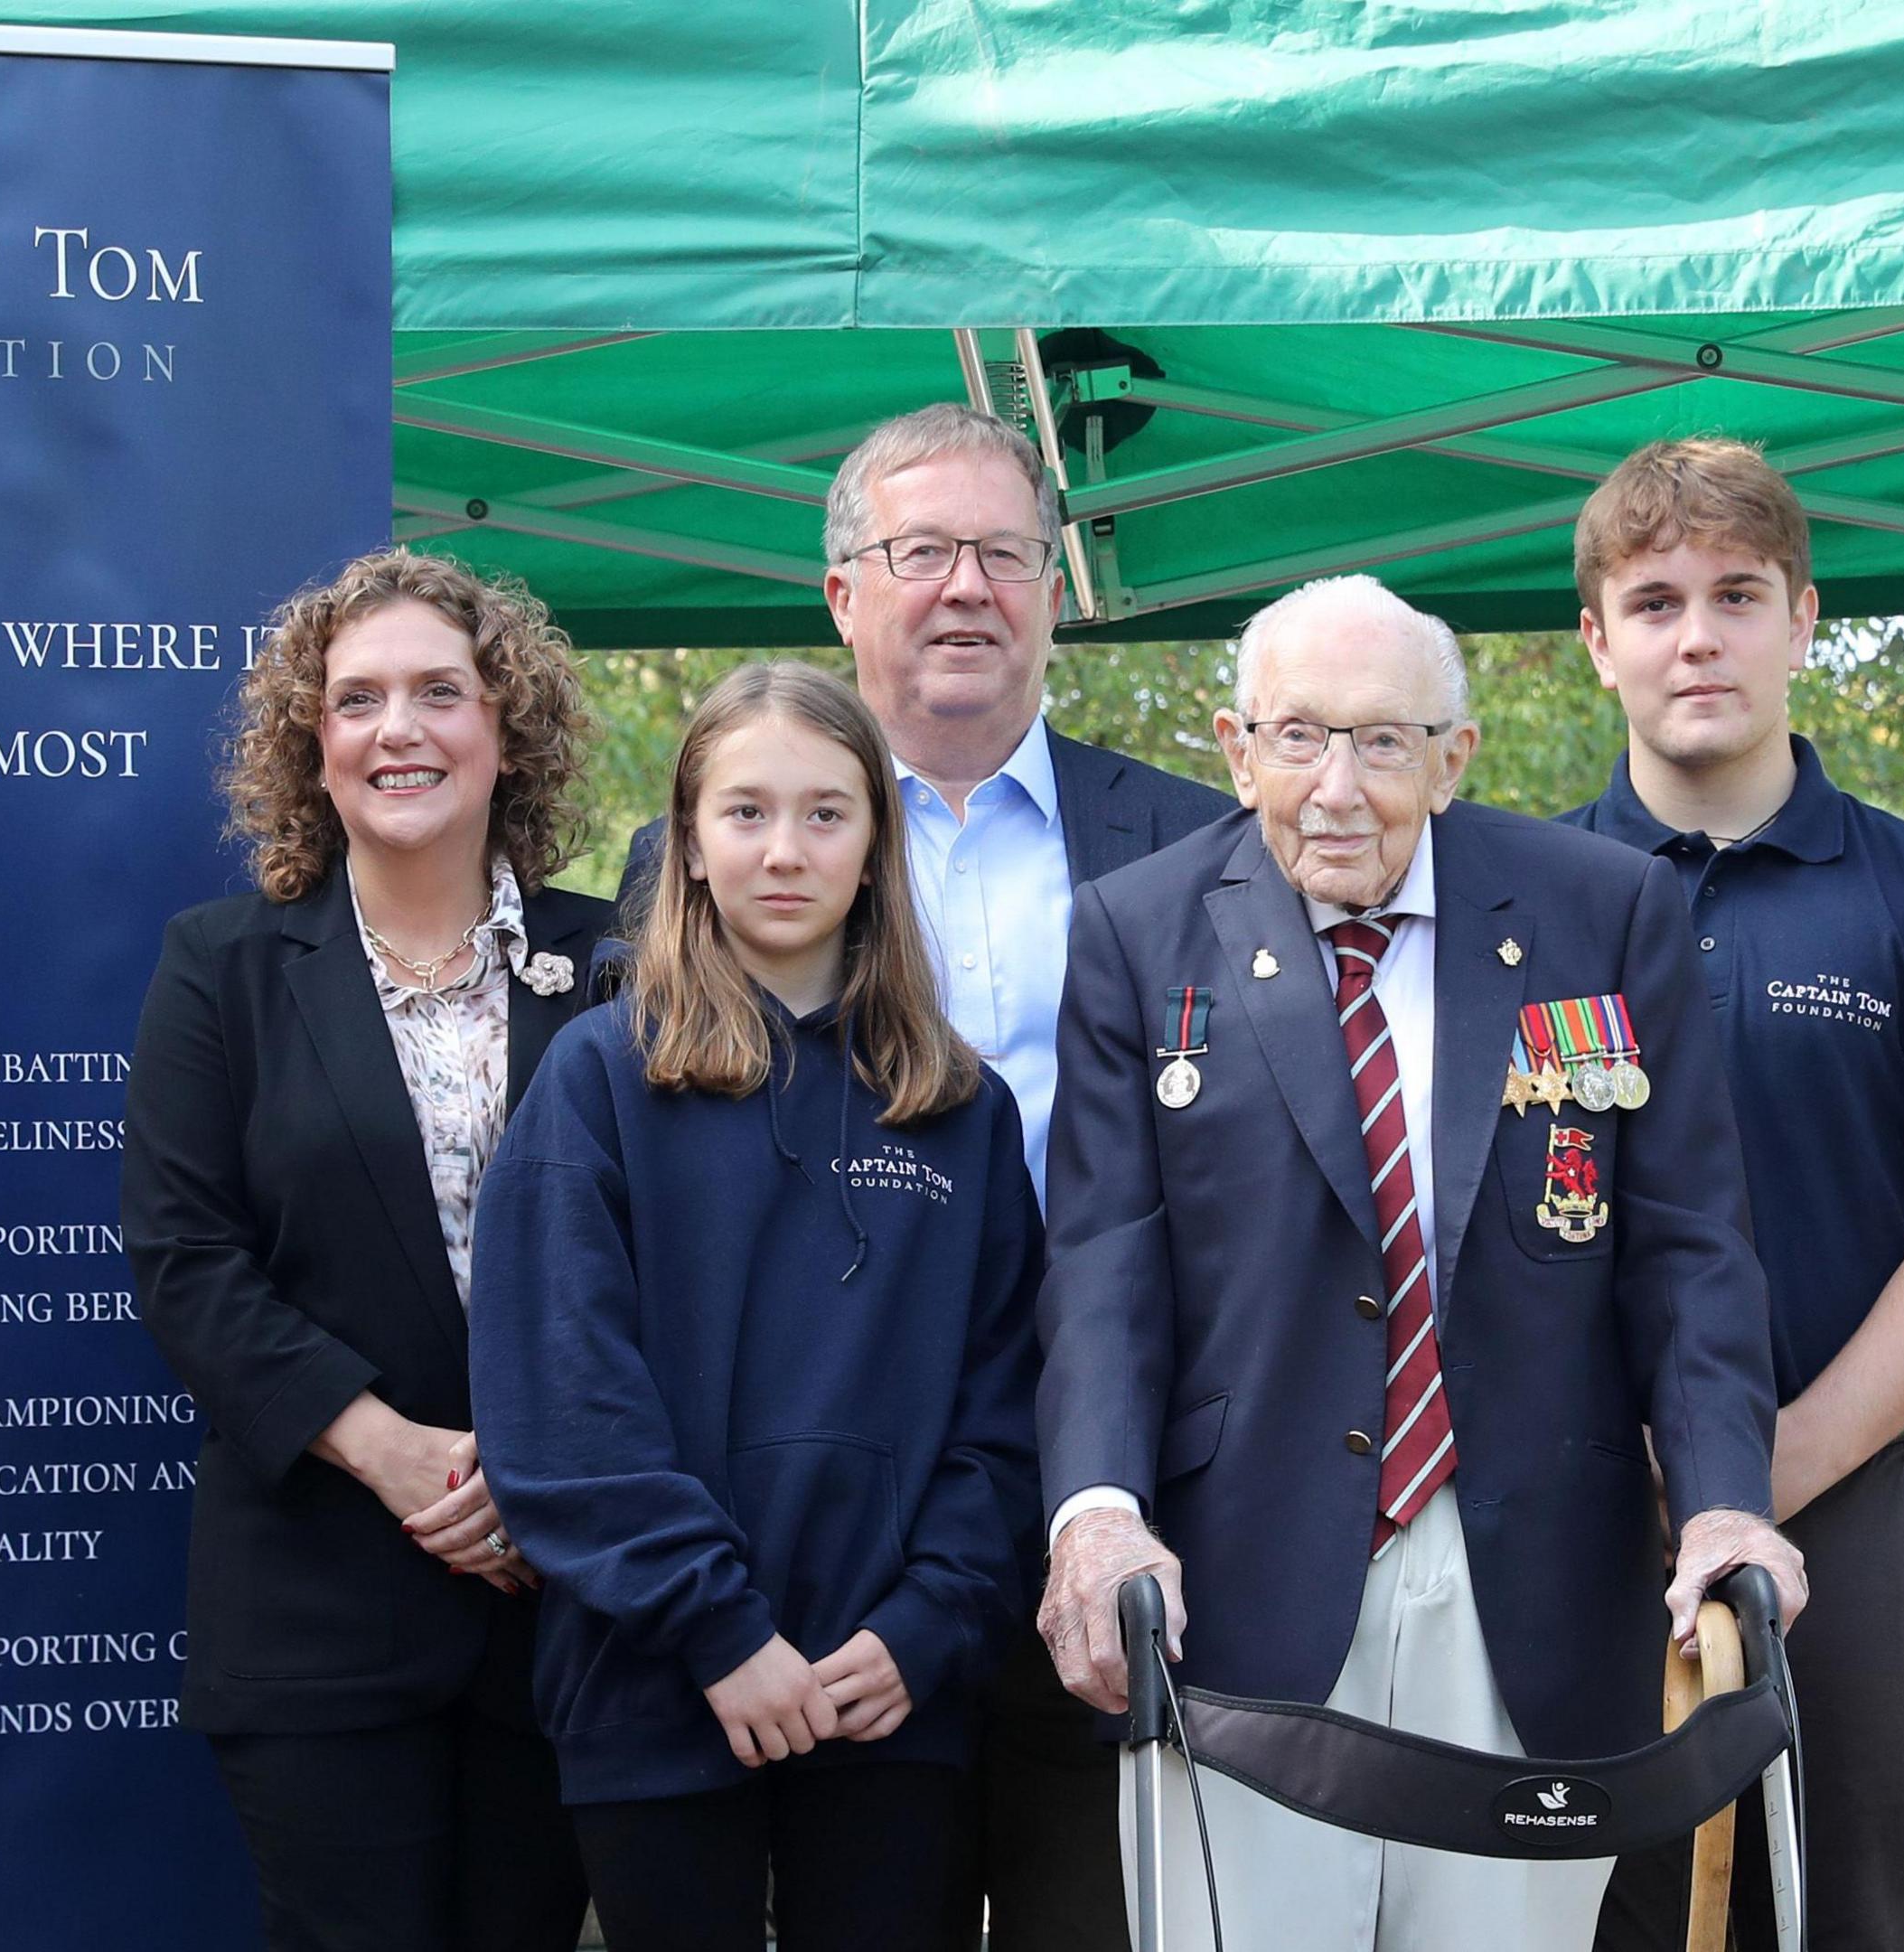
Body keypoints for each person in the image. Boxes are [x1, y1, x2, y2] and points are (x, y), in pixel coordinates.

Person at [1036, 574, 1807, 1952]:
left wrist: (1725, 1504)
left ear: (1455, 758)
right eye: (1298, 737)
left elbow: (1691, 1256)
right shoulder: (1135, 932)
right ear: (1234, 746)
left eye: (1384, 741)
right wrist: (1095, 1513)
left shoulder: (1606, 913)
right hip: (1237, 1599)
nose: (1337, 786)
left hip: (1529, 1582)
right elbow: (1104, 1268)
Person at [617, 403, 1229, 1949]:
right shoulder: (701, 865)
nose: (967, 587)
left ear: (1052, 588)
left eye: (1006, 554)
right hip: (819, 1534)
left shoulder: (1200, 850)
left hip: (1119, 1504)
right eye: (923, 552)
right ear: (842, 595)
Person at [1558, 438, 1904, 1952]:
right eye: (1653, 602)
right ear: (1597, 642)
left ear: (1803, 617)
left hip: (1844, 1513)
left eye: (1736, 593)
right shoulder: (1520, 901)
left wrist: (1766, 1470)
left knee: (1855, 1922)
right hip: (1585, 1530)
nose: (1696, 634)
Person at [476, 662, 1045, 1952]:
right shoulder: (598, 1079)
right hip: (658, 1691)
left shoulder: (955, 1108)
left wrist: (926, 1626)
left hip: (892, 1701)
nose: (784, 850)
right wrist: (721, 1630)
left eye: (825, 813)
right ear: (685, 841)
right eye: (744, 813)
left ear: (875, 843)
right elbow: (563, 1407)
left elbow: (1005, 1406)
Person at [121, 549, 611, 1952]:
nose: (399, 729)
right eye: (357, 701)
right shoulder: (223, 966)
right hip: (317, 1615)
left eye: (439, 692)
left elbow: (676, 1263)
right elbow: (184, 1256)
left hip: (567, 1605)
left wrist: (541, 1472)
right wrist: (395, 1451)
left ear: (504, 729)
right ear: (313, 748)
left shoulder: (624, 964)